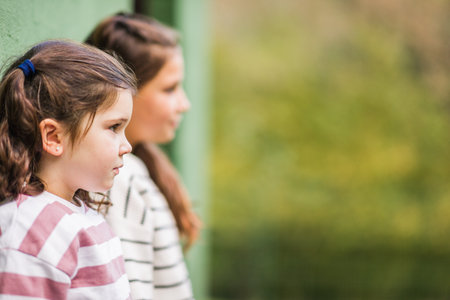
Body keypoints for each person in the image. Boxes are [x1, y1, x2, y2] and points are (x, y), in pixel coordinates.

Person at [0, 39, 136, 299]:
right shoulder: (29, 230)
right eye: (114, 127)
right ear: (53, 137)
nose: (126, 146)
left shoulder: (80, 215)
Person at [86, 12, 200, 300]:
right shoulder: (119, 177)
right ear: (124, 92)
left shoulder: (133, 169)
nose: (184, 104)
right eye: (169, 88)